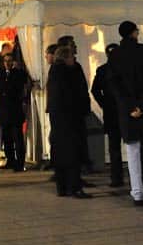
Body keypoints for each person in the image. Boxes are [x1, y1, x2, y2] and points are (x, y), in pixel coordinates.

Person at [108, 21, 143, 206]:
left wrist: (129, 107)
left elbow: (115, 85)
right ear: (134, 33)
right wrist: (142, 105)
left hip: (127, 111)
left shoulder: (115, 54)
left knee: (132, 152)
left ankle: (138, 193)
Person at [48, 45, 92, 198]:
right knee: (73, 154)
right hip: (71, 120)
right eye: (72, 56)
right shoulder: (68, 73)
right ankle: (74, 187)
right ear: (66, 58)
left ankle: (62, 187)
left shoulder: (54, 72)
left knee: (61, 154)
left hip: (58, 121)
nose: (74, 59)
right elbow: (76, 94)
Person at [0, 46, 29, 171]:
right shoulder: (0, 75)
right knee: (7, 139)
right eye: (6, 61)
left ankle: (20, 162)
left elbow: (22, 82)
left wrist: (18, 69)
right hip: (3, 111)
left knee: (17, 138)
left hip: (15, 111)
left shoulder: (18, 74)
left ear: (13, 62)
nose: (7, 63)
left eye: (10, 61)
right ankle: (10, 160)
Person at [91, 43, 123, 187]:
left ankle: (117, 178)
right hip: (117, 111)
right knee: (118, 147)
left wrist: (104, 103)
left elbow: (95, 90)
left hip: (114, 111)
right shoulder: (107, 70)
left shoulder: (104, 70)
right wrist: (104, 104)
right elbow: (95, 90)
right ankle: (117, 177)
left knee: (115, 147)